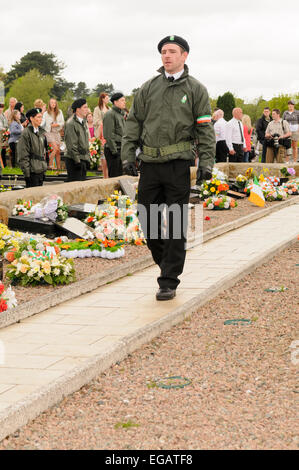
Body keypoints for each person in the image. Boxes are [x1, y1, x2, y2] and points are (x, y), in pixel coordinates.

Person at [122, 35, 215, 301]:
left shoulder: (196, 89)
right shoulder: (148, 87)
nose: (167, 56)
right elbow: (133, 123)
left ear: (184, 56)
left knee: (175, 222)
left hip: (178, 165)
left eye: (172, 51)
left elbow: (205, 129)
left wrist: (206, 162)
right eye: (163, 51)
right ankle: (166, 262)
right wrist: (128, 155)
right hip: (149, 164)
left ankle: (169, 280)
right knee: (146, 218)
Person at [18, 108, 47, 187]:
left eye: (41, 117)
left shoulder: (41, 132)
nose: (41, 119)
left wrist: (44, 169)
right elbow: (23, 154)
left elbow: (43, 152)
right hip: (32, 171)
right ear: (31, 118)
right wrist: (27, 174)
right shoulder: (26, 133)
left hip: (40, 169)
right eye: (38, 117)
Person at [64, 98, 90, 182]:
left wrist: (87, 158)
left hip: (82, 158)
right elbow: (71, 145)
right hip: (74, 160)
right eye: (85, 107)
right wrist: (77, 161)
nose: (87, 109)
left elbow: (85, 142)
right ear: (78, 109)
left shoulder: (83, 122)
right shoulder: (71, 123)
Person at [103, 92, 126, 177]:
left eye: (125, 100)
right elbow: (108, 135)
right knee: (115, 177)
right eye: (122, 100)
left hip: (121, 148)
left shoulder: (121, 114)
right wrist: (114, 151)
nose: (125, 102)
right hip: (113, 150)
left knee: (121, 177)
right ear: (115, 102)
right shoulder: (110, 114)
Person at [42, 98, 64, 169]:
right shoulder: (46, 113)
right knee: (55, 148)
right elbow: (43, 123)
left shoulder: (59, 112)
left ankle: (58, 167)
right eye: (52, 103)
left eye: (54, 103)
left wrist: (57, 125)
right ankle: (50, 164)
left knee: (58, 152)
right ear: (49, 104)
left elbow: (62, 122)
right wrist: (50, 125)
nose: (53, 104)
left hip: (57, 132)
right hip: (49, 132)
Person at [93, 92, 109, 178]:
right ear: (102, 99)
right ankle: (104, 175)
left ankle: (108, 175)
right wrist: (102, 123)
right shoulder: (97, 109)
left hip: (108, 134)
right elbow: (95, 121)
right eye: (106, 98)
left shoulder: (109, 109)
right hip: (100, 134)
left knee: (108, 154)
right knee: (102, 154)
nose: (108, 100)